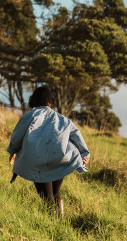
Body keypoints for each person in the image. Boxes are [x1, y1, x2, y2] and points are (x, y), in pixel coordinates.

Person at [6, 86, 90, 217]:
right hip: (60, 160)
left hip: (38, 161)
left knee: (47, 198)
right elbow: (76, 136)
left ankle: (55, 225)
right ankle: (60, 222)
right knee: (55, 193)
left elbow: (18, 135)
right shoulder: (63, 119)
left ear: (34, 99)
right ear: (50, 101)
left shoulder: (30, 116)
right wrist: (84, 154)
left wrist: (13, 150)